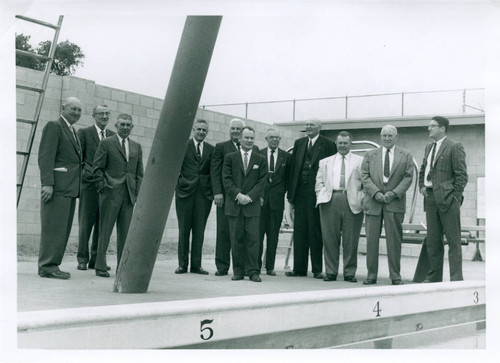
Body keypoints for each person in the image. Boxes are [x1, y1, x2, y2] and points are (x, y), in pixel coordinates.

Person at [360, 125, 414, 286]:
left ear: (396, 137)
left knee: (394, 241)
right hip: (373, 202)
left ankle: (395, 276)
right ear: (380, 136)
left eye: (390, 135)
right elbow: (364, 175)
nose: (387, 138)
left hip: (394, 203)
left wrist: (393, 193)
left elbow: (408, 177)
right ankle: (371, 275)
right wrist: (376, 193)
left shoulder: (406, 155)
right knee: (371, 241)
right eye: (384, 135)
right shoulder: (370, 155)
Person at [416, 116, 468, 282]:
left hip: (448, 200)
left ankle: (456, 279)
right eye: (429, 126)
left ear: (443, 128)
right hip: (430, 199)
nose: (429, 129)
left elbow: (461, 175)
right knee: (433, 241)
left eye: (432, 126)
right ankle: (434, 277)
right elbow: (423, 169)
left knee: (453, 241)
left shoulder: (454, 146)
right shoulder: (428, 147)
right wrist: (422, 187)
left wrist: (455, 197)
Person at [93, 114, 144, 277]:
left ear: (132, 127)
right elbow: (98, 168)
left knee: (125, 233)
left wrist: (137, 193)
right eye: (122, 124)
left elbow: (139, 173)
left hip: (128, 195)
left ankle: (122, 268)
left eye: (129, 125)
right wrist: (103, 187)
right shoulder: (106, 143)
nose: (125, 127)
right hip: (110, 193)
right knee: (105, 230)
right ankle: (100, 266)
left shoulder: (136, 146)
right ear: (116, 126)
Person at [37, 96, 83, 279]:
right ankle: (47, 266)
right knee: (53, 228)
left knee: (61, 230)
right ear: (63, 108)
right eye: (73, 109)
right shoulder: (54, 126)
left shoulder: (72, 131)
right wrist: (47, 183)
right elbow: (45, 157)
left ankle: (53, 265)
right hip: (56, 188)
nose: (77, 113)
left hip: (69, 189)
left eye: (79, 110)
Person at [286, 120, 336, 279]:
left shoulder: (328, 144)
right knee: (299, 231)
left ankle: (316, 269)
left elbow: (331, 169)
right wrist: (291, 195)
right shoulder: (299, 143)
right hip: (300, 193)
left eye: (312, 125)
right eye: (306, 125)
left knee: (316, 231)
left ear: (319, 128)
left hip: (317, 194)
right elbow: (294, 169)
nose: (308, 127)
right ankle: (299, 269)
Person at [210, 118, 258, 276]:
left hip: (247, 200)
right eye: (234, 129)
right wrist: (217, 192)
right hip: (226, 198)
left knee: (242, 234)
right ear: (229, 130)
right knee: (223, 232)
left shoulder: (254, 148)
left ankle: (244, 267)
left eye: (239, 129)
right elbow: (216, 172)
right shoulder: (221, 147)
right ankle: (222, 266)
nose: (236, 131)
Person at [315, 131, 364, 282]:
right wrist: (321, 195)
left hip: (351, 201)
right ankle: (331, 271)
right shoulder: (325, 162)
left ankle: (349, 273)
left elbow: (365, 183)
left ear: (351, 144)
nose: (342, 146)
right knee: (330, 238)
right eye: (340, 143)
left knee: (351, 239)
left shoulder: (360, 161)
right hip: (330, 200)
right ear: (336, 143)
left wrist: (360, 198)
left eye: (345, 143)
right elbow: (319, 181)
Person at [222, 126, 267, 282]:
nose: (249, 141)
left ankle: (253, 271)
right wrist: (238, 195)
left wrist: (249, 197)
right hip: (234, 206)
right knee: (236, 239)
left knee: (253, 239)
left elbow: (262, 182)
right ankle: (238, 271)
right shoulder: (230, 157)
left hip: (252, 206)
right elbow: (226, 179)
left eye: (251, 138)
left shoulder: (260, 159)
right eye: (246, 138)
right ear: (239, 139)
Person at [76, 105, 115, 271]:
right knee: (86, 222)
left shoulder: (113, 135)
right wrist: (87, 173)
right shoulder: (84, 133)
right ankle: (82, 259)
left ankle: (97, 259)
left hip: (107, 186)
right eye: (101, 114)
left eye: (107, 113)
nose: (104, 116)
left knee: (102, 223)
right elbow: (79, 159)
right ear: (94, 115)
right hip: (90, 184)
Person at [174, 119, 215, 275]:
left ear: (207, 132)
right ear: (193, 130)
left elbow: (213, 172)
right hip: (184, 193)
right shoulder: (184, 146)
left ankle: (196, 265)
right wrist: (179, 185)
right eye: (198, 129)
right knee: (183, 229)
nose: (201, 132)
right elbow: (174, 168)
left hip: (203, 195)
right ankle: (182, 264)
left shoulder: (211, 149)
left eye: (204, 130)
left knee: (199, 230)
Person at [258, 127, 290, 276]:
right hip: (260, 202)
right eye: (272, 137)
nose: (275, 140)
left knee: (273, 236)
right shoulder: (259, 154)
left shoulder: (285, 157)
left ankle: (270, 267)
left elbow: (287, 180)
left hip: (276, 203)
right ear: (266, 139)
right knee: (257, 235)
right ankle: (255, 266)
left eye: (277, 138)